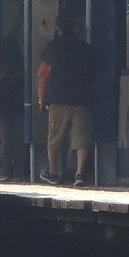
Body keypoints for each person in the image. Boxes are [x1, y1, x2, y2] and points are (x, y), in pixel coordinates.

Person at [37, 13, 97, 186]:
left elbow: (42, 75)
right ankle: (79, 174)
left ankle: (53, 172)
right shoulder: (85, 48)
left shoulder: (54, 48)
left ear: (58, 28)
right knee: (81, 137)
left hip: (58, 98)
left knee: (55, 137)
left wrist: (42, 99)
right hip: (81, 99)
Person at [0, 36, 25, 181]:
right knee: (19, 139)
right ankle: (19, 172)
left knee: (5, 140)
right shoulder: (21, 65)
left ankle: (4, 171)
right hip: (19, 107)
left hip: (1, 107)